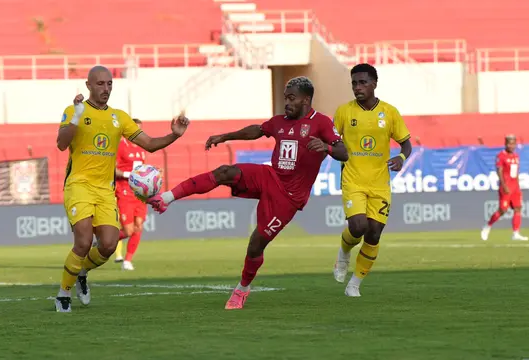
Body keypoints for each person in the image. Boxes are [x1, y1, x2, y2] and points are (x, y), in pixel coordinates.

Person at [147, 77, 348, 309]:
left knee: (256, 245)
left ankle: (242, 289)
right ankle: (167, 198)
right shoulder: (279, 121)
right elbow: (257, 130)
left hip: (290, 197)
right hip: (270, 177)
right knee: (224, 172)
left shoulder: (320, 122)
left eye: (291, 98)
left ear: (305, 99)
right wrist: (225, 136)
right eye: (285, 98)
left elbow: (344, 152)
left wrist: (327, 147)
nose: (287, 103)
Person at [55, 65, 189, 312]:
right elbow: (62, 144)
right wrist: (75, 116)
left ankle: (82, 271)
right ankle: (63, 292)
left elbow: (148, 144)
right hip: (79, 186)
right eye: (100, 84)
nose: (105, 89)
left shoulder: (119, 117)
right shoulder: (74, 111)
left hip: (105, 191)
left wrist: (175, 136)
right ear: (88, 86)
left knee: (107, 245)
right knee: (83, 241)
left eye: (109, 84)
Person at [332, 63, 412, 297]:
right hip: (353, 180)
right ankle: (344, 253)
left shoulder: (389, 112)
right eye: (354, 83)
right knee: (358, 227)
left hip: (380, 184)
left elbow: (406, 143)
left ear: (374, 84)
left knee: (374, 234)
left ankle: (355, 283)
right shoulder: (344, 112)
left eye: (363, 82)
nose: (358, 87)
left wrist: (401, 157)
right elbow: (333, 140)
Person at [113, 118, 148, 270]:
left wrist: (153, 174)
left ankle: (127, 260)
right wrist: (130, 175)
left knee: (139, 226)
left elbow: (143, 170)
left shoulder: (142, 149)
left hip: (139, 192)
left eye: (139, 130)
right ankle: (105, 241)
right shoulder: (120, 146)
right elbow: (112, 169)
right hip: (124, 191)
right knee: (128, 230)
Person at [481, 134, 529, 241]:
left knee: (518, 208)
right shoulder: (501, 156)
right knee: (502, 210)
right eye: (509, 143)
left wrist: (518, 187)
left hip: (515, 187)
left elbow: (515, 173)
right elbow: (500, 172)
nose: (511, 146)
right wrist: (504, 186)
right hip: (506, 187)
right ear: (505, 144)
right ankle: (487, 226)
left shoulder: (516, 157)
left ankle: (515, 233)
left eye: (513, 144)